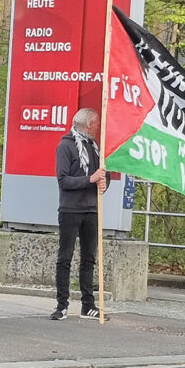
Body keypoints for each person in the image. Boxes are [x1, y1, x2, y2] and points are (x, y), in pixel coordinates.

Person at [50, 108, 110, 321]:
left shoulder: (94, 146)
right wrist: (90, 180)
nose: (98, 127)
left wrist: (104, 182)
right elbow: (63, 180)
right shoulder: (65, 145)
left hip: (92, 209)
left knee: (89, 258)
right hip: (70, 209)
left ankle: (88, 304)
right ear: (86, 125)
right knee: (65, 257)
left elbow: (103, 174)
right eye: (95, 124)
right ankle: (61, 304)